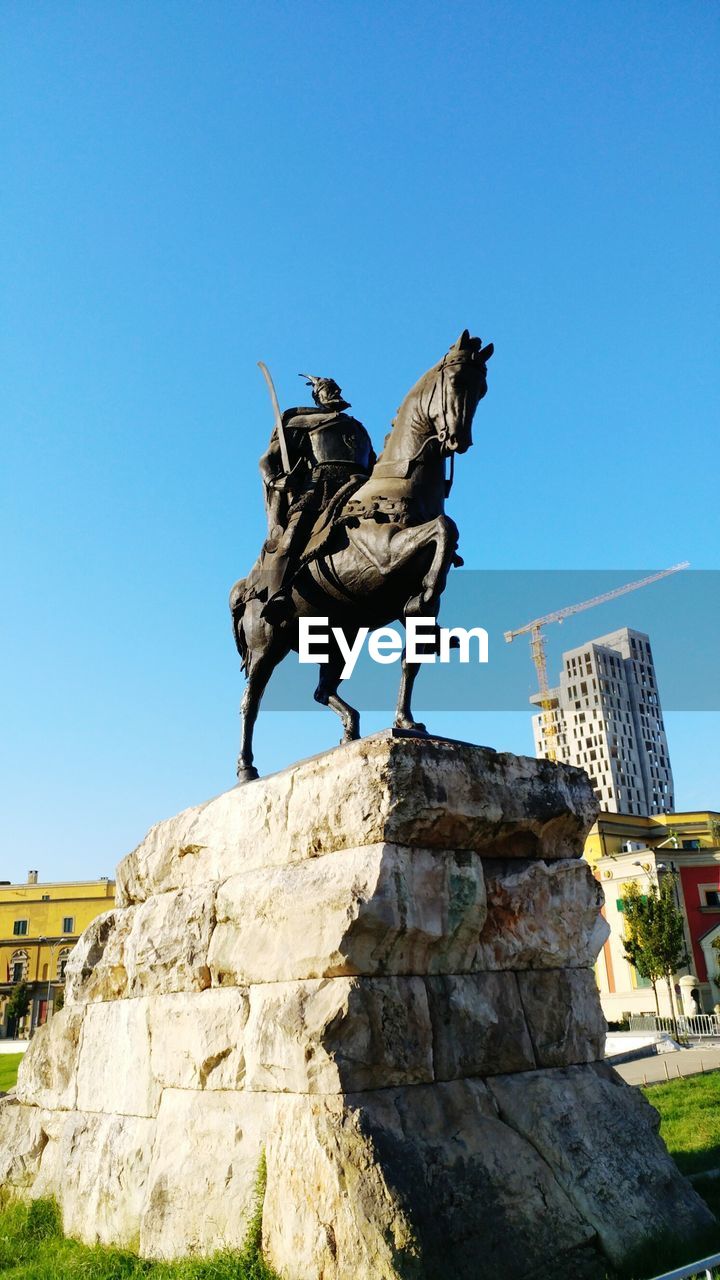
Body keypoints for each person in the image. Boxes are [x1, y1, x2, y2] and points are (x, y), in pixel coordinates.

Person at [259, 373, 375, 618]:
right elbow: (267, 459)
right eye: (326, 388)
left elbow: (372, 463)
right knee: (293, 534)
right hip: (319, 487)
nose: (333, 391)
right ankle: (276, 593)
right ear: (317, 395)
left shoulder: (358, 427)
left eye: (335, 386)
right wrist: (276, 480)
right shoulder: (302, 422)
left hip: (360, 485)